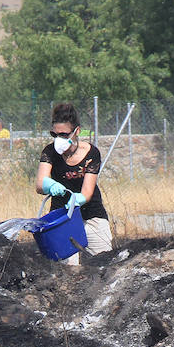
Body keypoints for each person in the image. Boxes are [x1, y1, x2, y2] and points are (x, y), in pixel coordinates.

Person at [35, 101, 112, 263]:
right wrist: (50, 185)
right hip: (62, 219)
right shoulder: (50, 152)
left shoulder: (91, 153)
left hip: (91, 216)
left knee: (105, 263)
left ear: (76, 131)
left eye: (63, 135)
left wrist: (76, 200)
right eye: (54, 135)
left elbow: (87, 193)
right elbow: (40, 184)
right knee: (67, 269)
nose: (58, 139)